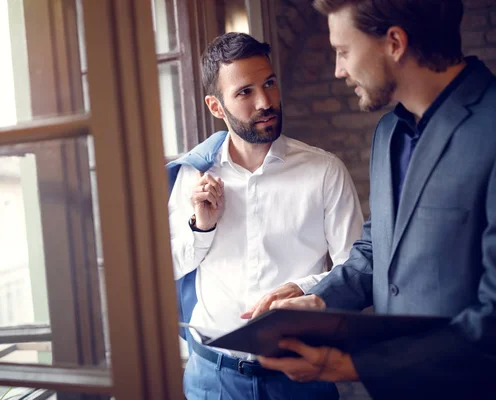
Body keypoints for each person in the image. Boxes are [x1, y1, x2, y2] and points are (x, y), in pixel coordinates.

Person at [256, 1, 496, 399]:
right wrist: (318, 300)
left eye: (344, 51)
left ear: (395, 43)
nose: (339, 69)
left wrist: (349, 365)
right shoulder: (387, 133)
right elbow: (377, 248)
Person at [167, 32, 363, 400]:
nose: (265, 101)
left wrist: (305, 288)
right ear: (215, 106)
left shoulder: (324, 171)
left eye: (269, 84)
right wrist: (201, 227)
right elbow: (166, 272)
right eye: (244, 92)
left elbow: (355, 271)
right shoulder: (193, 177)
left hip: (300, 379)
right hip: (212, 379)